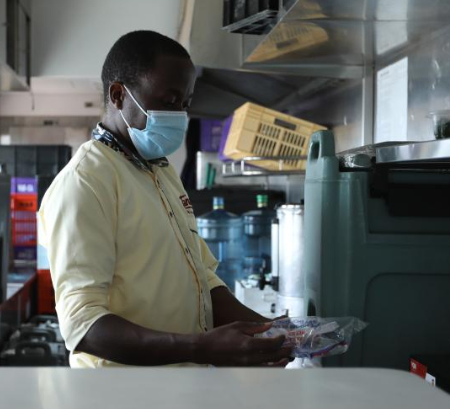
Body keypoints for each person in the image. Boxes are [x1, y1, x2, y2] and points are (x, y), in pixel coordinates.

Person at [38, 31, 291, 368]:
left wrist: (271, 332)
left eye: (185, 103)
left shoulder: (159, 170)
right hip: (120, 401)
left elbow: (203, 278)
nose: (180, 114)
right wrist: (200, 348)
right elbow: (84, 325)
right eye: (170, 100)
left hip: (178, 387)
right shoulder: (85, 182)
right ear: (118, 95)